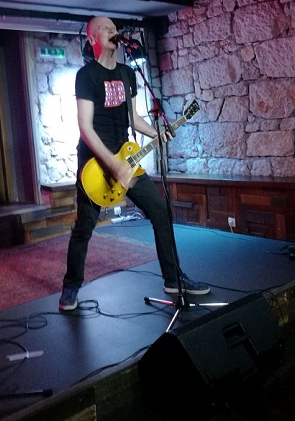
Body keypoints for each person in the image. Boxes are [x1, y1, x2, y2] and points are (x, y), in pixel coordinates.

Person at [59, 16, 210, 310]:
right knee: (85, 226)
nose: (113, 31)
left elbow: (133, 117)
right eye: (105, 28)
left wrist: (156, 133)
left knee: (160, 211)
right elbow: (85, 128)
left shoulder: (128, 74)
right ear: (92, 39)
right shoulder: (86, 76)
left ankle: (172, 279)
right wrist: (112, 165)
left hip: (126, 157)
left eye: (114, 27)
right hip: (95, 163)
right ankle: (71, 286)